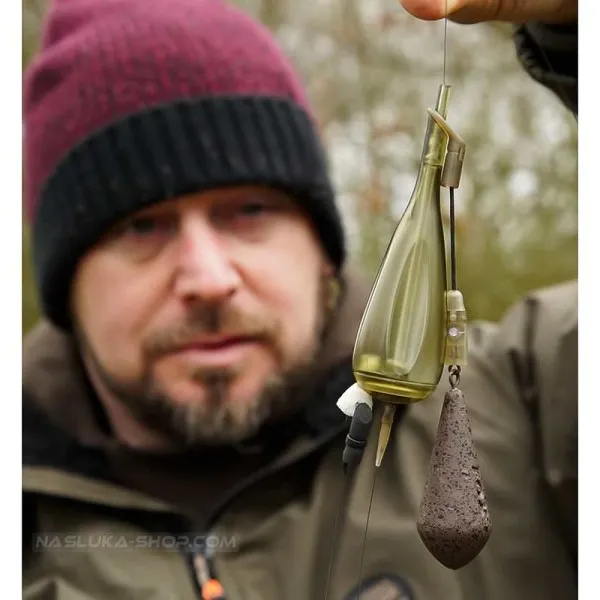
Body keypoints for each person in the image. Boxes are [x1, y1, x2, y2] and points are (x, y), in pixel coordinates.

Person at [22, 1, 576, 599]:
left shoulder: (533, 396)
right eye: (141, 228)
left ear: (322, 248)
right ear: (65, 284)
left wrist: (574, 33)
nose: (209, 278)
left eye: (249, 211)